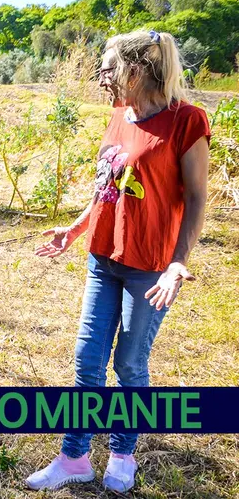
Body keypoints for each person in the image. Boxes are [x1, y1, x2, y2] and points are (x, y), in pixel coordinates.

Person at [27, 30, 211, 493]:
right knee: (87, 364)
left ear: (138, 69)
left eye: (108, 67)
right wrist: (77, 227)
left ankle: (123, 453)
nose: (101, 76)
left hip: (150, 267)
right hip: (102, 260)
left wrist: (177, 263)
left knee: (130, 365)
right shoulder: (118, 115)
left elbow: (196, 198)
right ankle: (74, 458)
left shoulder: (187, 121)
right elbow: (108, 186)